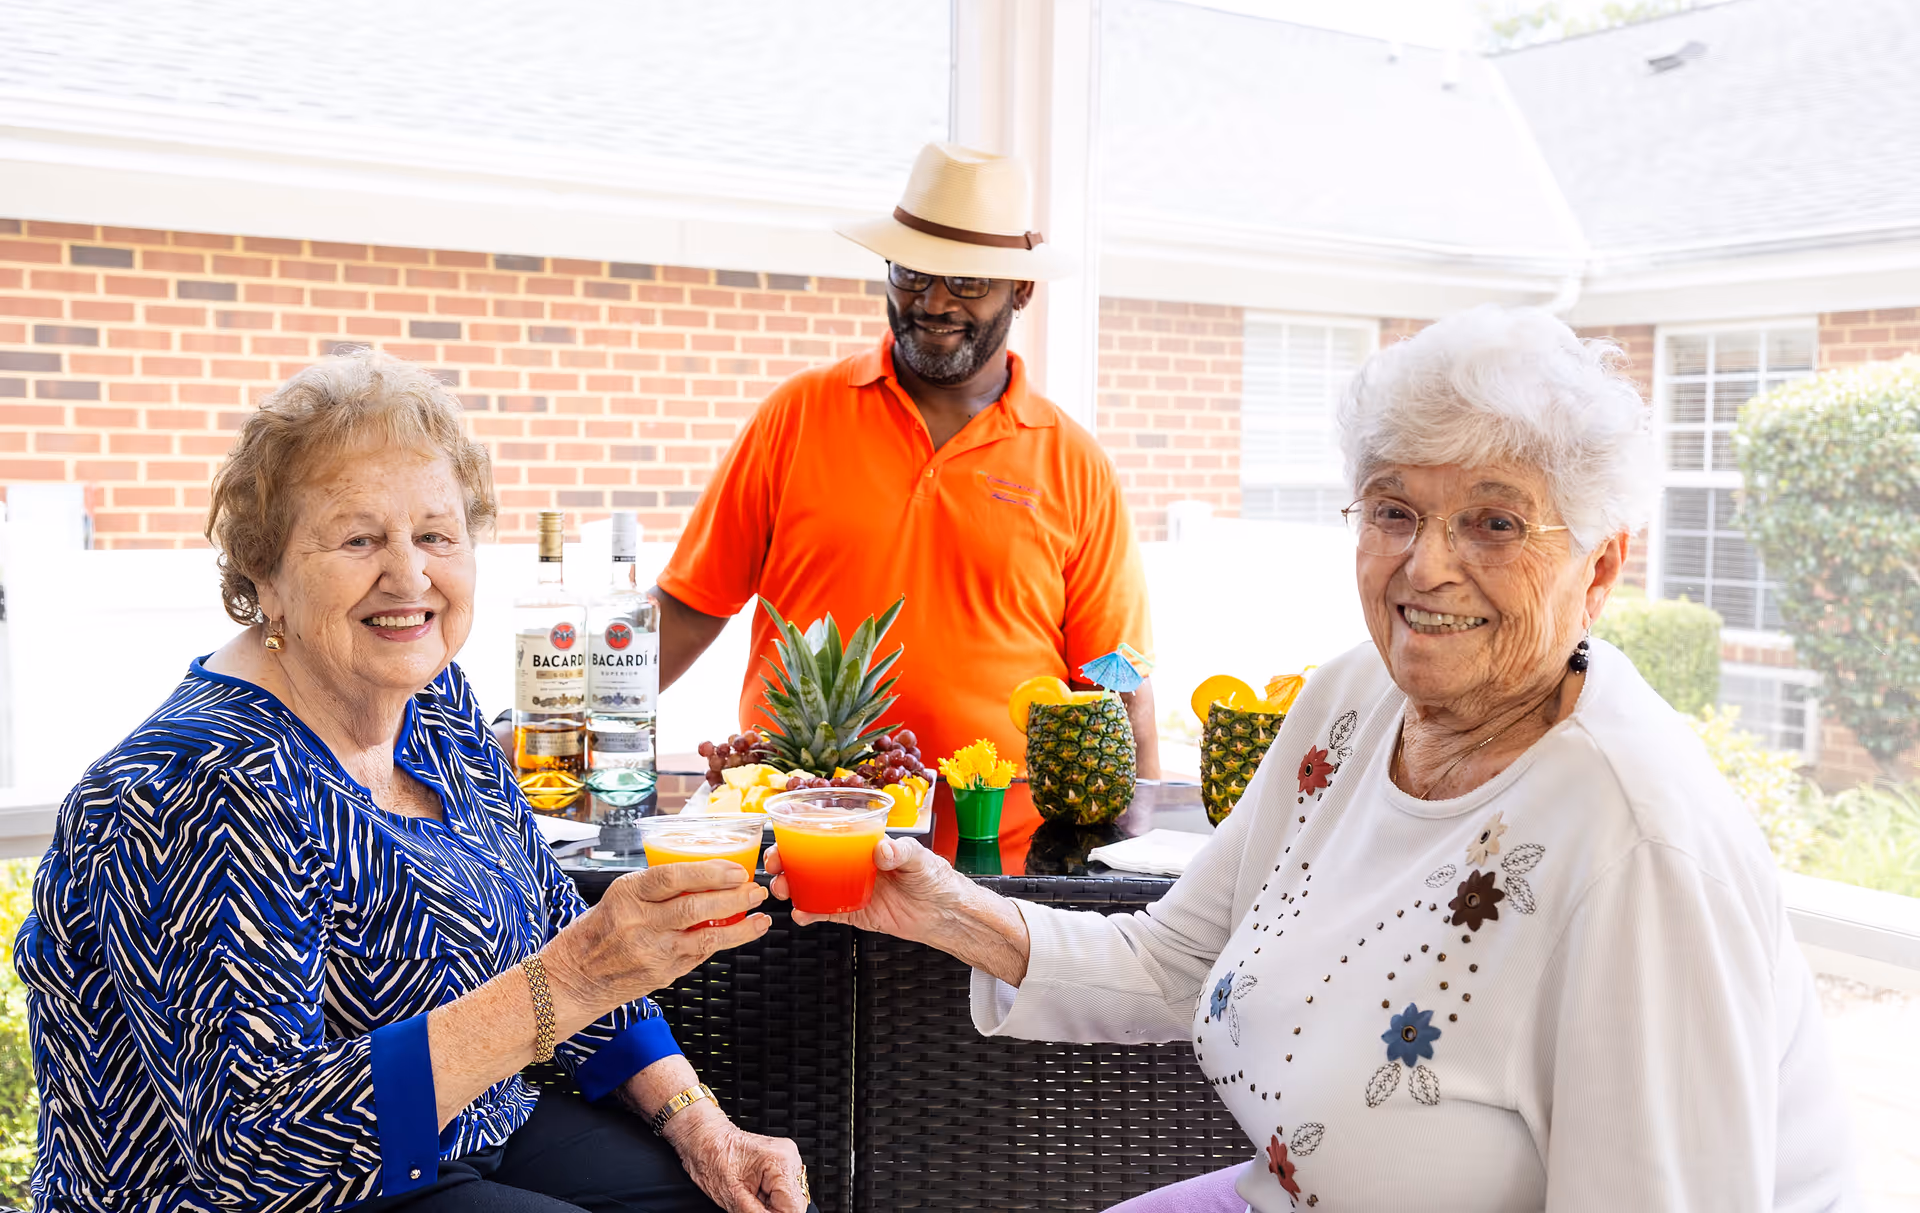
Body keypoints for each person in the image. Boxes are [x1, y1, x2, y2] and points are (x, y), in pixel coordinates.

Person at [766, 306, 1858, 1211]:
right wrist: (941, 908)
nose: (1426, 568)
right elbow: (1178, 960)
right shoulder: (1355, 698)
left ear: (1600, 564)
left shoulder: (1642, 850)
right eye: (1395, 509)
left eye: (1493, 522)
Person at [14, 353, 811, 1213]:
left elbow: (552, 924)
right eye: (358, 539)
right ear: (262, 576)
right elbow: (256, 1146)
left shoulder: (432, 704)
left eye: (435, 534)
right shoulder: (198, 783)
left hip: (476, 1129)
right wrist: (574, 978)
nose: (410, 576)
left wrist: (702, 1126)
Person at [650, 141, 1159, 848]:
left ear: (1022, 290)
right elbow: (687, 607)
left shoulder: (1075, 461)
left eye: (969, 282)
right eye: (913, 273)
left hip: (995, 854)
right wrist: (563, 721)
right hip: (801, 832)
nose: (935, 301)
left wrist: (1135, 850)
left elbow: (1117, 676)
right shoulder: (796, 415)